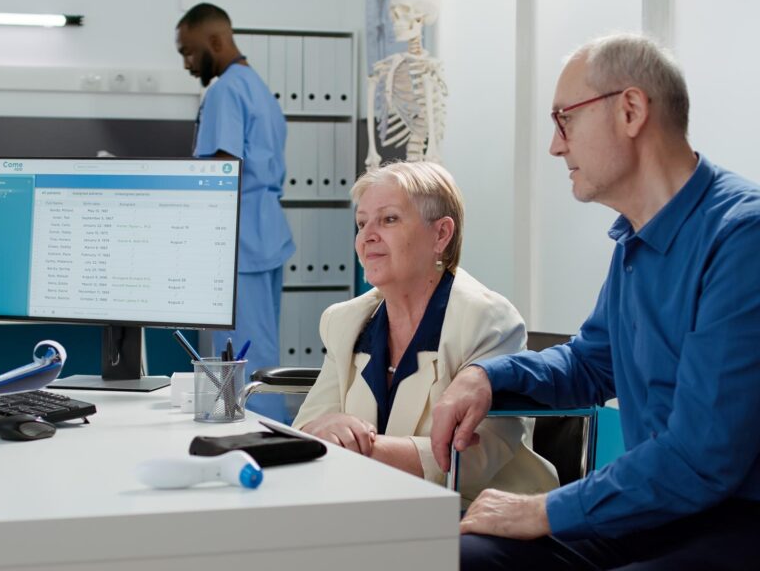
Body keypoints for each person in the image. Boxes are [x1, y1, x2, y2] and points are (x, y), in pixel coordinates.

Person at [430, 34, 760, 570]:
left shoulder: (742, 238)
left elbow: (705, 458)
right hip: (655, 514)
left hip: (732, 522)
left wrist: (546, 510)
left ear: (630, 110)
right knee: (462, 556)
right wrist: (488, 376)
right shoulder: (635, 240)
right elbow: (589, 362)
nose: (555, 146)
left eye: (565, 119)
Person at [291, 161, 558, 501]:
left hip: (480, 514)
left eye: (389, 219)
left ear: (441, 235)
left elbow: (473, 458)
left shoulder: (487, 320)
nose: (367, 236)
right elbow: (307, 429)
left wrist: (358, 450)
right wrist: (326, 433)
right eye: (361, 223)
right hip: (377, 508)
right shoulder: (345, 321)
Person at [175, 3, 295, 420]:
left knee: (238, 356)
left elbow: (220, 173)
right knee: (260, 349)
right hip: (264, 233)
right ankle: (268, 427)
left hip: (237, 239)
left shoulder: (225, 90)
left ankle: (259, 436)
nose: (188, 64)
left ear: (215, 41)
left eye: (189, 52)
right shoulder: (258, 88)